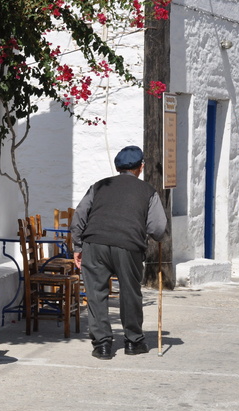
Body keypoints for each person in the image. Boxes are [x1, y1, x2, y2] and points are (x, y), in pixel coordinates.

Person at [70, 145, 167, 360]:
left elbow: (79, 217)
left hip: (94, 244)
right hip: (128, 246)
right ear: (140, 167)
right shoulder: (148, 191)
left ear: (117, 167)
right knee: (130, 293)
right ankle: (133, 341)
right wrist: (157, 238)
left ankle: (102, 345)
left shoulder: (99, 186)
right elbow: (158, 228)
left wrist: (78, 247)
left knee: (95, 294)